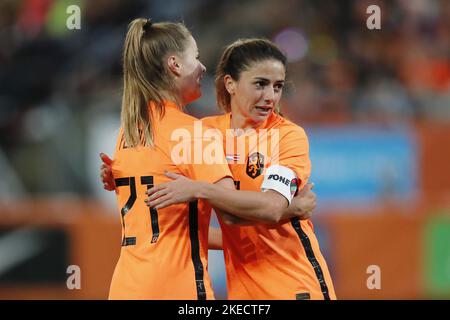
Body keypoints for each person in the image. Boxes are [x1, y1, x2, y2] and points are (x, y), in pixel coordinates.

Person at [105, 18, 314, 300]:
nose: (204, 67)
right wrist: (292, 207)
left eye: (277, 86)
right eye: (197, 57)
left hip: (126, 286)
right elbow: (231, 213)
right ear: (175, 65)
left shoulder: (128, 131)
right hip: (177, 287)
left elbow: (171, 227)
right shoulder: (195, 132)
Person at [144, 39, 337, 300]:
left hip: (295, 285)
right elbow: (229, 223)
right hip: (242, 294)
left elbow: (270, 207)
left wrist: (201, 189)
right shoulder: (205, 133)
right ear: (230, 83)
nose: (270, 96)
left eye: (277, 86)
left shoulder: (288, 136)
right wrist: (116, 174)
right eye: (260, 84)